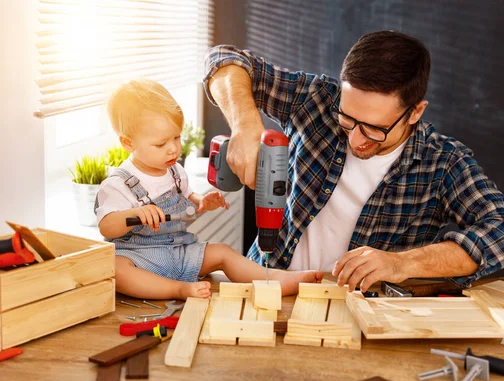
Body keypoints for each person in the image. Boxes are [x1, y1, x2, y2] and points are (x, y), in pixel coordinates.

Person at [203, 30, 504, 293]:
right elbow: (223, 59)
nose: (355, 139)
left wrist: (402, 263)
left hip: (361, 312)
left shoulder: (442, 163)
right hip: (267, 283)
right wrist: (244, 125)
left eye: (375, 128)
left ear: (415, 112)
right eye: (347, 118)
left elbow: (499, 229)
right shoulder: (316, 101)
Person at [95, 78, 323, 300]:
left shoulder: (174, 171)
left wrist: (200, 201)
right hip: (140, 258)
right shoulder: (119, 183)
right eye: (161, 144)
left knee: (223, 251)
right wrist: (133, 215)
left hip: (179, 252)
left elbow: (185, 198)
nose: (173, 149)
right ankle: (177, 290)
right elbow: (106, 226)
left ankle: (272, 279)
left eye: (177, 137)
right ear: (128, 143)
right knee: (116, 269)